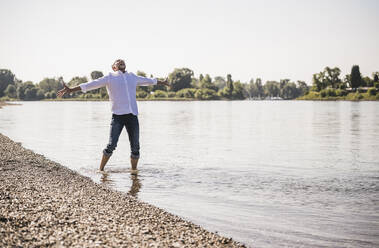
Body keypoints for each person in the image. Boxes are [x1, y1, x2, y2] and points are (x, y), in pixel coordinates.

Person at [57, 59, 169, 173]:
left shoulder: (132, 76)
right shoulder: (110, 77)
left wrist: (163, 82)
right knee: (111, 145)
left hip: (132, 116)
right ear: (113, 67)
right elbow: (91, 84)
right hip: (118, 117)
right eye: (117, 61)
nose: (121, 61)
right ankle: (100, 170)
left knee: (135, 147)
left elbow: (149, 81)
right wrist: (71, 89)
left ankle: (134, 172)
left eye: (122, 61)